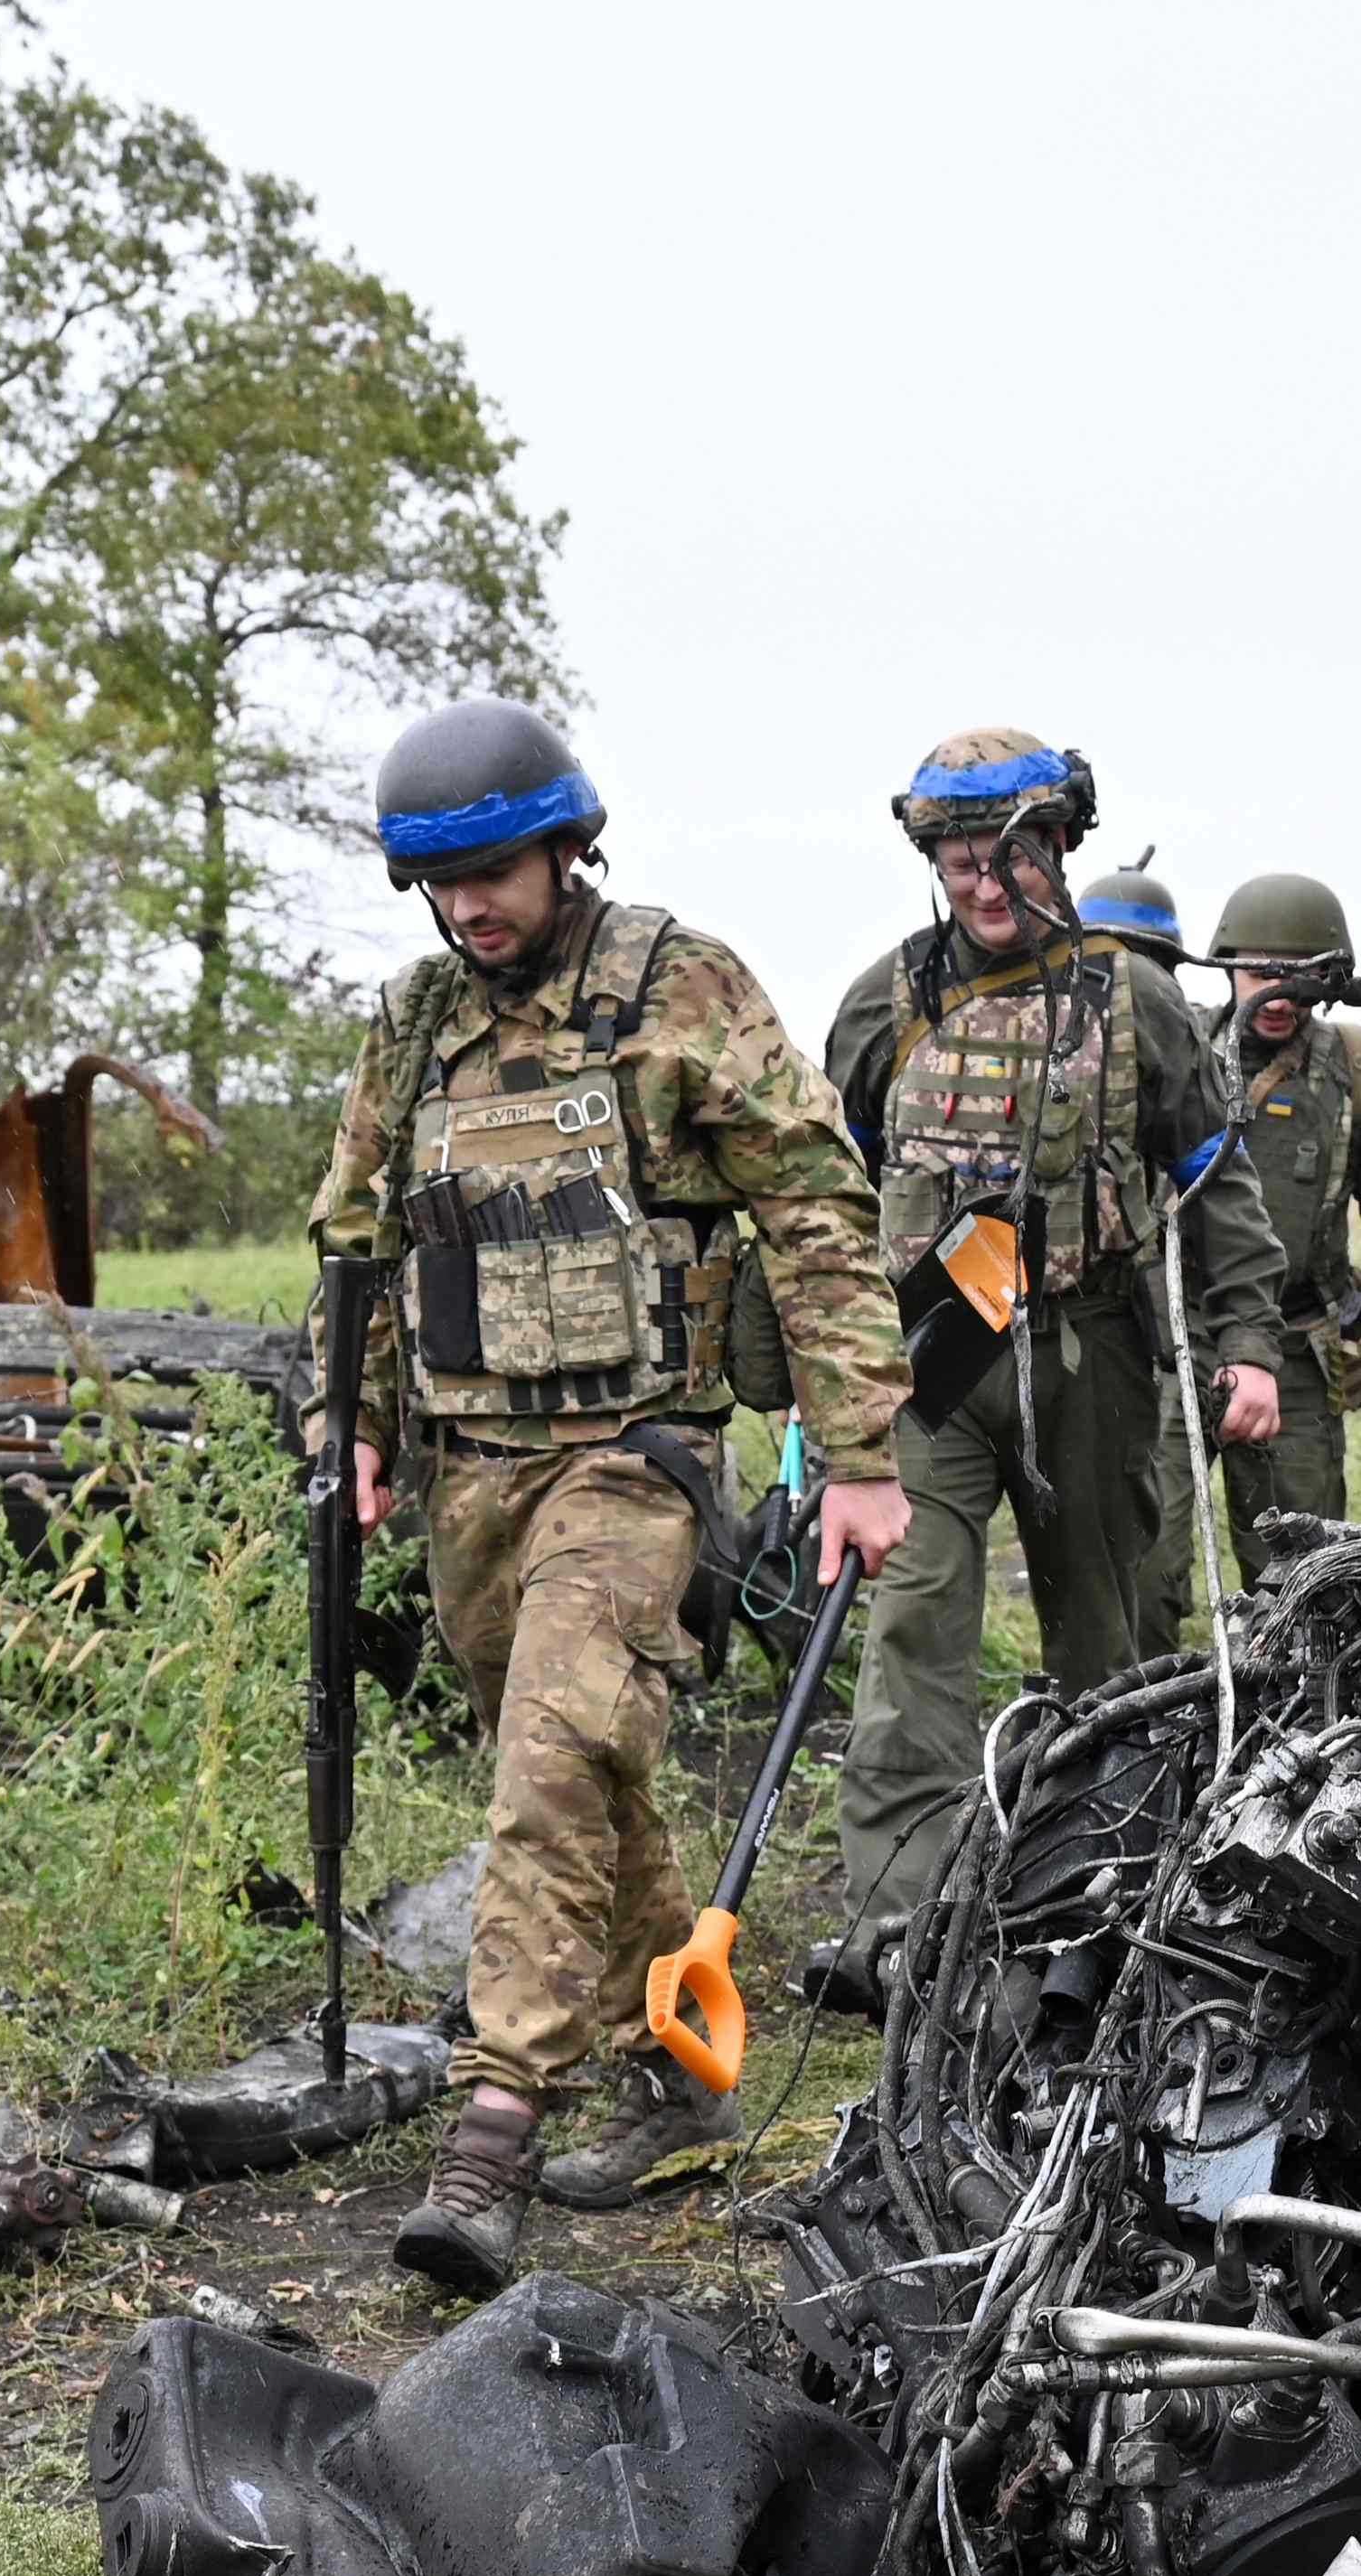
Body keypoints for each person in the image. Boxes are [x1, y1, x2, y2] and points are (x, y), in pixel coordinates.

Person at [310, 699, 915, 2298]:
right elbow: (356, 1244)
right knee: (590, 1774)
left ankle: (492, 2124)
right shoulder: (415, 1023)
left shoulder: (677, 985)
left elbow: (812, 1203)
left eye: (493, 871)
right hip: (469, 1468)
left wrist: (859, 1453)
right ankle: (688, 2070)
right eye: (438, 884)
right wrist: (351, 1423)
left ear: (565, 843)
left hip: (633, 1455)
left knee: (556, 1748)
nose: (470, 907)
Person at [814, 731, 1281, 1981]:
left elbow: (1212, 1180)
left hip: (1092, 1353)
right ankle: (901, 1932)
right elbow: (817, 1194)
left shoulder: (1138, 1005)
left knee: (1109, 1638)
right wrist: (820, 1388)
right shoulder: (882, 1004)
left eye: (1015, 851)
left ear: (1061, 847)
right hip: (937, 1359)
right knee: (915, 1629)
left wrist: (1247, 1344)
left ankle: (1108, 1903)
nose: (988, 881)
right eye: (964, 856)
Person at [1188, 869, 1361, 1542]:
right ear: (1227, 966)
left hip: (1297, 1352)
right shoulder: (1179, 1055)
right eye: (1259, 972)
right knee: (1143, 1572)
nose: (1276, 992)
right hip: (1173, 1346)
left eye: (1299, 974)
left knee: (1303, 1573)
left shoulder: (1358, 1075)